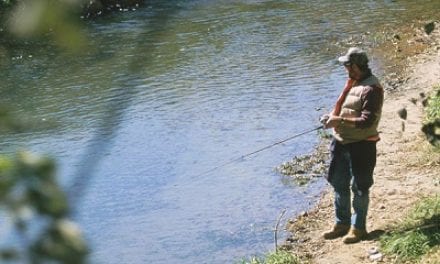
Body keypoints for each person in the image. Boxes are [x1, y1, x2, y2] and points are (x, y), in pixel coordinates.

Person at [321, 47, 384, 244]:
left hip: (362, 146)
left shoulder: (372, 89)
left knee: (359, 187)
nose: (345, 68)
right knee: (339, 184)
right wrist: (330, 117)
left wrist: (338, 120)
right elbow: (344, 109)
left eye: (347, 65)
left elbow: (366, 121)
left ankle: (359, 228)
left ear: (355, 66)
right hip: (341, 143)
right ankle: (341, 224)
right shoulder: (353, 82)